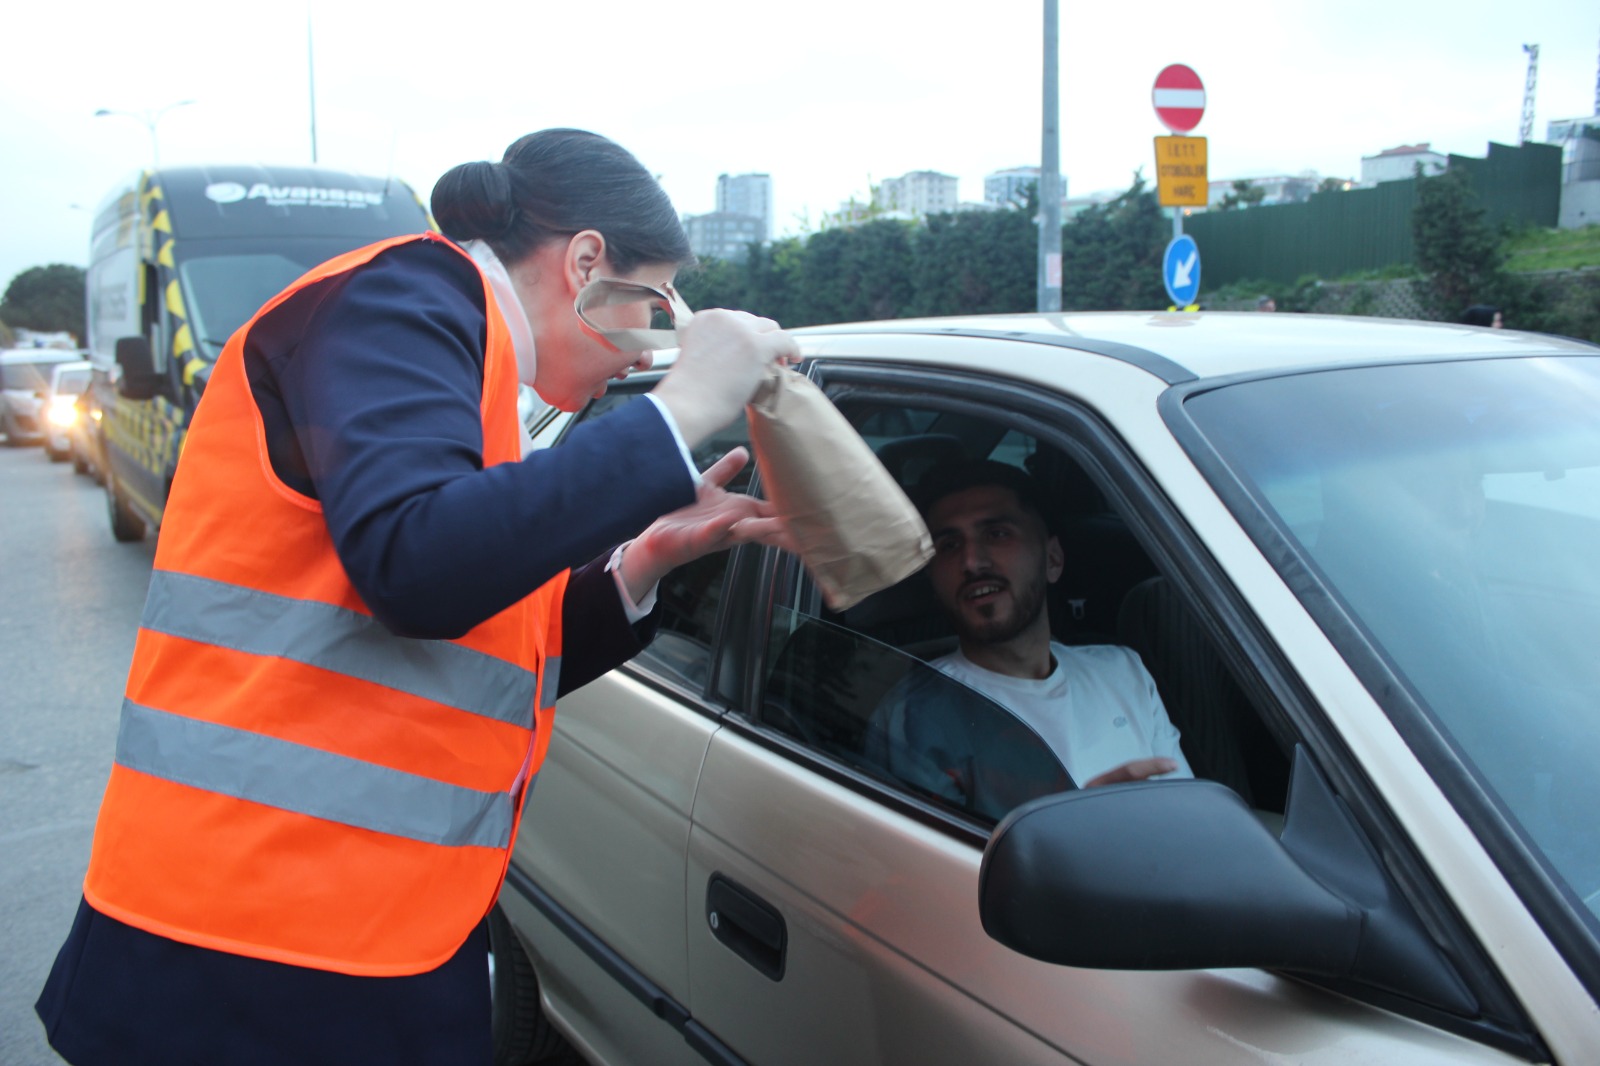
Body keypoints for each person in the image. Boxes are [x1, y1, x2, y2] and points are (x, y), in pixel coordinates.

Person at [35, 128, 799, 1066]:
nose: (647, 351)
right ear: (586, 262)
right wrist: (681, 408)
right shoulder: (397, 299)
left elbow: (470, 634)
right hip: (251, 940)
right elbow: (419, 566)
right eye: (654, 307)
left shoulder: (463, 358)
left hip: (349, 928)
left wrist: (639, 562)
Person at [868, 461, 1191, 818]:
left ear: (1053, 559)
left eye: (997, 534)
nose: (972, 562)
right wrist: (1074, 833)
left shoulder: (1122, 671)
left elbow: (1190, 819)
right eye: (949, 545)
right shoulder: (915, 718)